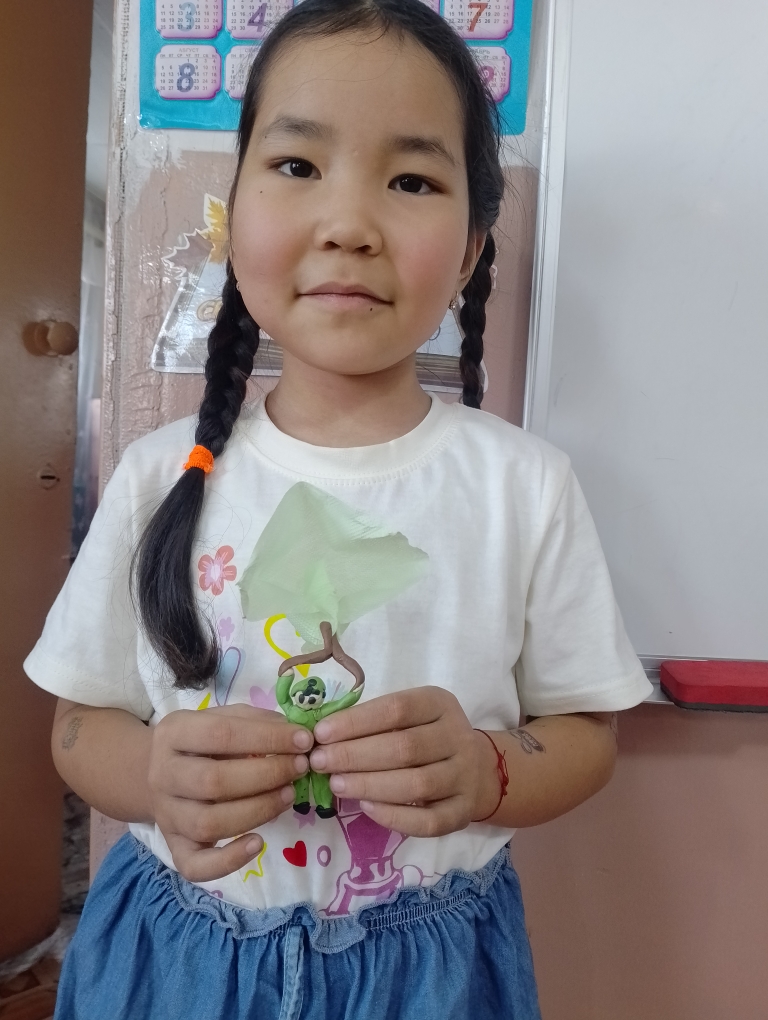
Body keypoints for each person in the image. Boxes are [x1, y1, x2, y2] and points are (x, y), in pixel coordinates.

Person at [24, 1, 653, 1016]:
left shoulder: (524, 486)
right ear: (233, 213)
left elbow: (585, 735)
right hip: (177, 956)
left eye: (411, 180)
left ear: (469, 250)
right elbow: (77, 723)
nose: (350, 224)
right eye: (297, 165)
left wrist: (489, 769)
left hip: (428, 973)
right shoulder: (157, 475)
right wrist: (152, 775)